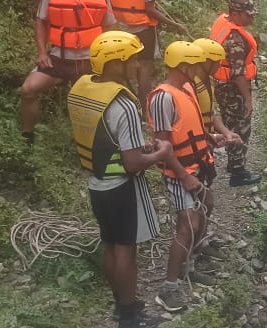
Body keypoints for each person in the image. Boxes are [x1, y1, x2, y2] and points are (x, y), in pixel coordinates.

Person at [66, 31, 182, 328]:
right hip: (120, 188)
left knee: (110, 244)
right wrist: (162, 152)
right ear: (115, 64)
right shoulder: (125, 105)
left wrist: (140, 149)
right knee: (126, 250)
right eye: (131, 60)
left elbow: (105, 138)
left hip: (96, 183)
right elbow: (131, 164)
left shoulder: (82, 88)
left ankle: (122, 304)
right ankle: (130, 317)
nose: (137, 65)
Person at [149, 41, 224, 312]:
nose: (196, 69)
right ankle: (168, 288)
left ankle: (189, 265)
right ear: (182, 65)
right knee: (187, 224)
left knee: (208, 204)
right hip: (179, 171)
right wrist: (183, 176)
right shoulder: (162, 98)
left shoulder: (187, 89)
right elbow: (163, 143)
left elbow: (190, 129)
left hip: (198, 164)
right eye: (192, 65)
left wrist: (212, 138)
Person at [19, 0, 116, 145]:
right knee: (29, 89)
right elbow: (41, 21)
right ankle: (26, 139)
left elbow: (108, 30)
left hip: (90, 61)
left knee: (106, 100)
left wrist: (107, 63)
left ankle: (97, 141)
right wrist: (42, 53)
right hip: (60, 58)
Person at [209, 0, 263, 187]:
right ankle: (238, 173)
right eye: (248, 15)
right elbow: (238, 74)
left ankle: (233, 164)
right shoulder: (235, 39)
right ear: (236, 14)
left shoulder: (222, 22)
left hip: (222, 87)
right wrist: (248, 99)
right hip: (233, 89)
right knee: (240, 127)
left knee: (230, 122)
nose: (252, 19)